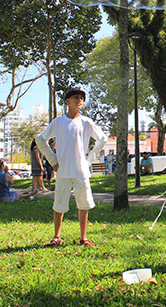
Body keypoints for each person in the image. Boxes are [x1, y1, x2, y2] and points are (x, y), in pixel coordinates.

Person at [36, 87, 107, 248]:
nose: (79, 100)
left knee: (84, 204)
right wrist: (52, 160)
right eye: (76, 97)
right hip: (62, 171)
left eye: (81, 98)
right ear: (67, 101)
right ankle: (57, 236)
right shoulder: (58, 122)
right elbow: (40, 140)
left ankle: (84, 237)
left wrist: (89, 159)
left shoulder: (86, 122)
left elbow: (102, 139)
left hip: (81, 171)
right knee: (59, 204)